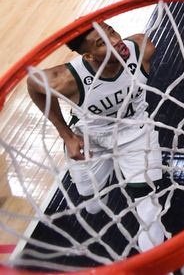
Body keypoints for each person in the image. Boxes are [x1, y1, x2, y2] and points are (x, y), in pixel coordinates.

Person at [26, 22, 166, 252]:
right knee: (93, 205)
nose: (115, 41)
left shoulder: (141, 47)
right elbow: (33, 84)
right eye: (103, 43)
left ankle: (160, 262)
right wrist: (67, 135)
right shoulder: (66, 79)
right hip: (91, 138)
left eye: (112, 31)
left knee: (148, 205)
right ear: (89, 55)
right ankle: (106, 174)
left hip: (135, 132)